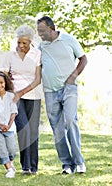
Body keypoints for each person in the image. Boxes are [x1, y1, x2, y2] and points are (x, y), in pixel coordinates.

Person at [36, 16, 88, 174]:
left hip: (68, 89)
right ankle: (67, 164)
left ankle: (79, 162)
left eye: (42, 31)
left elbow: (83, 59)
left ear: (51, 28)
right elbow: (33, 64)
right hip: (50, 91)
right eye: (38, 31)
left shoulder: (68, 40)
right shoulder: (41, 46)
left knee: (71, 121)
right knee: (57, 130)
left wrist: (73, 77)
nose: (39, 34)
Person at [2, 25, 42, 175]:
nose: (21, 46)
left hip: (33, 95)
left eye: (24, 43)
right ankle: (26, 166)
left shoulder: (37, 54)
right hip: (15, 97)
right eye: (19, 42)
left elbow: (38, 79)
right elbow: (4, 77)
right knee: (23, 129)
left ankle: (34, 166)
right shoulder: (11, 55)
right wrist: (12, 93)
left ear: (30, 42)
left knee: (33, 131)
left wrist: (21, 92)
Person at [0, 71, 18, 178]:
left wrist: (8, 125)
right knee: (2, 149)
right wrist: (0, 125)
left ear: (5, 83)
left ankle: (11, 162)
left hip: (9, 128)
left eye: (1, 82)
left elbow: (13, 112)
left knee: (12, 149)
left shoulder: (11, 96)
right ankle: (9, 169)